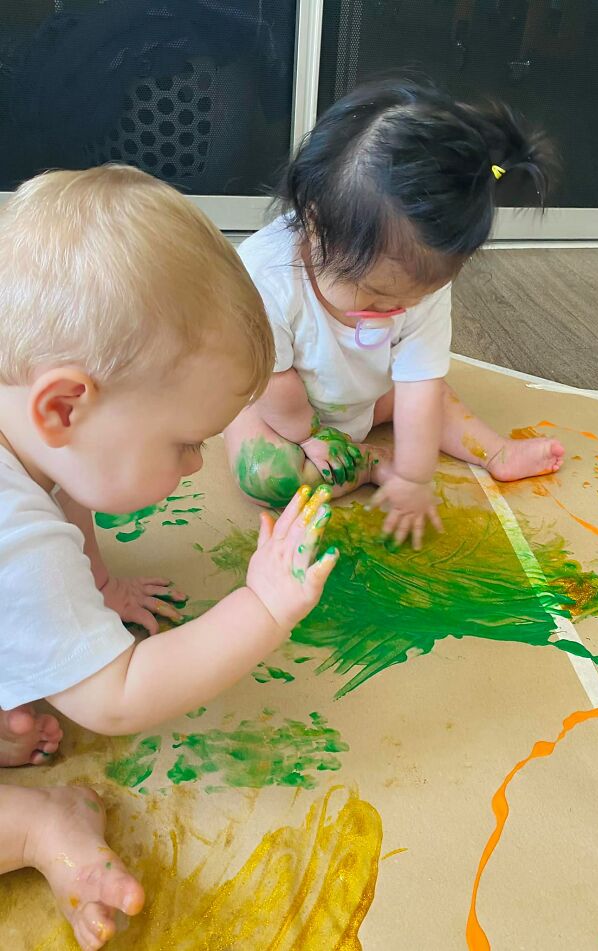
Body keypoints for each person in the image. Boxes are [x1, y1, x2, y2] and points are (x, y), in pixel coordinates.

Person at [0, 165, 337, 950]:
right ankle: (33, 827)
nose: (194, 468)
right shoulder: (16, 539)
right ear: (64, 406)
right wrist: (260, 608)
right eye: (184, 442)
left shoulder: (34, 424)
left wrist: (99, 584)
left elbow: (70, 494)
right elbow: (117, 698)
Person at [226, 78, 565, 550]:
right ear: (315, 225)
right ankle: (367, 461)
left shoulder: (418, 284)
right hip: (278, 403)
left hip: (370, 394)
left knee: (431, 399)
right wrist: (309, 436)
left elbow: (418, 384)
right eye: (375, 294)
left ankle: (496, 449)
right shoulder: (266, 275)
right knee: (265, 476)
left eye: (409, 299)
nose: (390, 312)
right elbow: (272, 381)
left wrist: (414, 475)